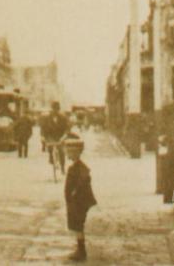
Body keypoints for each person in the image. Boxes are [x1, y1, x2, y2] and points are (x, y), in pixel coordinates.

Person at [63, 133, 97, 262]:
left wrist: (74, 194)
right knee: (77, 226)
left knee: (78, 225)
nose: (67, 155)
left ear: (76, 153)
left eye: (69, 153)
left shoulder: (78, 168)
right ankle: (80, 249)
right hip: (76, 201)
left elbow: (82, 182)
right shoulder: (77, 167)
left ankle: (81, 251)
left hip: (78, 202)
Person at [41, 102, 70, 174]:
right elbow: (43, 128)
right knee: (50, 147)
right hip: (50, 136)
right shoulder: (47, 118)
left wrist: (65, 135)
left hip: (60, 137)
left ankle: (62, 168)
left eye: (56, 109)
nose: (55, 111)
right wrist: (42, 136)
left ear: (58, 109)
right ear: (52, 109)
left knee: (61, 152)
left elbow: (67, 128)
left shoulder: (63, 118)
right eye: (54, 109)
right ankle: (51, 156)